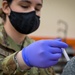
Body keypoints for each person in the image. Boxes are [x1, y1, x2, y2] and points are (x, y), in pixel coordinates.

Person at [0, 0, 68, 75]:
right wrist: (21, 60)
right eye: (24, 6)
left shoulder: (37, 49)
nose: (33, 11)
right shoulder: (31, 52)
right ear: (6, 7)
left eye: (37, 8)